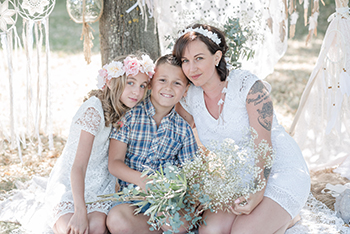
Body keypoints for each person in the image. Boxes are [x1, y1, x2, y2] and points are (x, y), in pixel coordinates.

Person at [172, 24, 311, 234]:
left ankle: (286, 217)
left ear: (217, 57)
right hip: (237, 178)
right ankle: (277, 221)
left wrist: (258, 190)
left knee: (243, 232)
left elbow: (264, 145)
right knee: (210, 230)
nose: (191, 69)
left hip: (278, 170)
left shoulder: (248, 86)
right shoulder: (189, 97)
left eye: (199, 58)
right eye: (185, 61)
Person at [44, 53, 155, 234]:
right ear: (111, 82)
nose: (138, 91)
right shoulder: (93, 109)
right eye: (131, 82)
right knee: (72, 229)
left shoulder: (127, 112)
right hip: (73, 180)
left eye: (143, 86)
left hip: (101, 184)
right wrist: (80, 211)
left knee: (95, 227)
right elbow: (78, 167)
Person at [107, 54, 198, 234]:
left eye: (177, 83)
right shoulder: (130, 116)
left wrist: (173, 193)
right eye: (162, 80)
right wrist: (141, 180)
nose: (168, 87)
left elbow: (191, 173)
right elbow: (114, 163)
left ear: (185, 90)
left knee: (180, 224)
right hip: (131, 200)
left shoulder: (183, 130)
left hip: (165, 202)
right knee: (117, 220)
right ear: (150, 83)